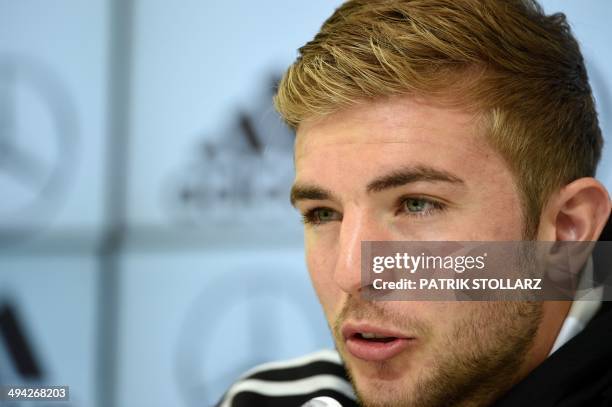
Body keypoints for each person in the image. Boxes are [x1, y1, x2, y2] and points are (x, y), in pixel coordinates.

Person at [217, 0, 612, 406]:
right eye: (323, 213)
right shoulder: (268, 399)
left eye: (417, 205)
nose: (351, 272)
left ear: (567, 230)